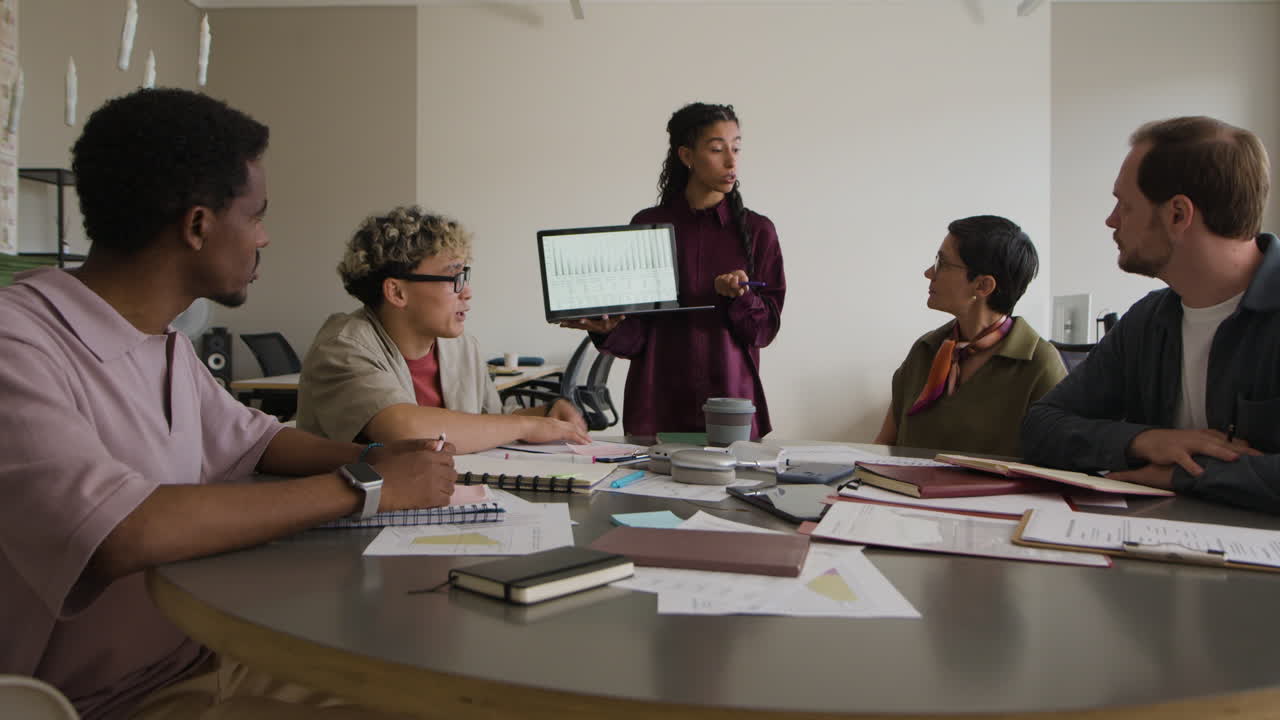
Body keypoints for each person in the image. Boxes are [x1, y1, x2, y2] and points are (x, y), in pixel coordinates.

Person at [0, 88, 454, 720]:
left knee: (437, 686)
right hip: (107, 703)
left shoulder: (164, 345)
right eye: (257, 215)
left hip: (211, 652)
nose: (264, 237)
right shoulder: (17, 342)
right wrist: (366, 483)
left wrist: (381, 455)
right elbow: (119, 530)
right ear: (197, 225)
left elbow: (258, 440)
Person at [1022, 116, 1279, 511]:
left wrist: (1184, 475)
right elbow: (1041, 427)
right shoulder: (1145, 321)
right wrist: (1143, 441)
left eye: (1125, 205)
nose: (1111, 220)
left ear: (1178, 214)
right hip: (1154, 554)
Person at [565, 103, 785, 439]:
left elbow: (764, 332)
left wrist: (741, 298)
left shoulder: (758, 231)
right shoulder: (646, 226)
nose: (731, 160)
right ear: (687, 155)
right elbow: (637, 337)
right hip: (657, 406)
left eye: (736, 147)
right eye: (716, 149)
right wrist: (607, 329)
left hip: (730, 407)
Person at [296, 205, 590, 454]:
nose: (468, 292)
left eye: (465, 275)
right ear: (397, 293)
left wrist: (546, 415)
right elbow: (404, 429)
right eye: (453, 277)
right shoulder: (343, 345)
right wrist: (528, 425)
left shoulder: (461, 346)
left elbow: (486, 423)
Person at [874, 215, 1065, 457]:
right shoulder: (925, 349)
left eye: (942, 263)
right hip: (903, 493)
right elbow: (884, 446)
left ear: (983, 286)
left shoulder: (1039, 365)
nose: (929, 272)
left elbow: (1054, 470)